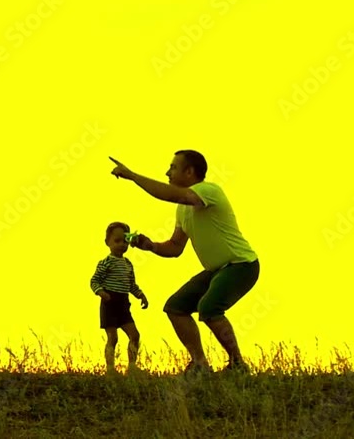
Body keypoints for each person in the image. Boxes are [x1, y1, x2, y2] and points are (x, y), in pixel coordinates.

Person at [109, 151, 260, 375]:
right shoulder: (183, 209)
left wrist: (133, 176)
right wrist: (150, 245)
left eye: (173, 167)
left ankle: (238, 365)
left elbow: (171, 195)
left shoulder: (208, 191)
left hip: (241, 265)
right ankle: (200, 364)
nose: (167, 172)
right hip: (216, 270)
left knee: (209, 308)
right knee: (175, 307)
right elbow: (175, 247)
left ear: (189, 172)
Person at [90, 221, 149, 374]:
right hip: (109, 303)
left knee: (134, 335)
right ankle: (110, 368)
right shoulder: (106, 263)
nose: (121, 245)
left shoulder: (128, 264)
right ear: (107, 242)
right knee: (113, 337)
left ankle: (132, 366)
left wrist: (141, 295)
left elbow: (131, 284)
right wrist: (100, 292)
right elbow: (94, 280)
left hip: (123, 304)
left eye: (125, 241)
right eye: (117, 241)